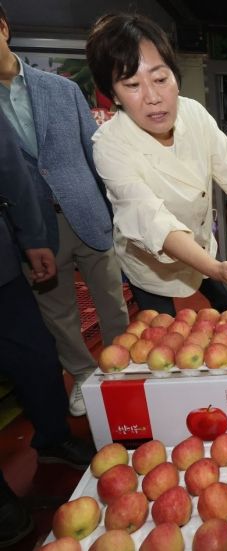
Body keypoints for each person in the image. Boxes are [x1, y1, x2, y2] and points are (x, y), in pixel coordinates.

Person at [85, 13, 227, 316]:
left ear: (175, 76)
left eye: (161, 79)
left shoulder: (193, 113)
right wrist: (215, 268)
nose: (153, 97)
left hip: (200, 246)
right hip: (151, 264)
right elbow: (151, 220)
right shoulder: (109, 145)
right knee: (162, 334)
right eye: (132, 84)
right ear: (114, 96)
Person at [0, 3, 130, 417]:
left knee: (112, 301)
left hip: (87, 213)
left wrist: (114, 211)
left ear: (3, 27)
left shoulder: (61, 89)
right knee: (58, 312)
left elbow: (98, 152)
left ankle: (124, 368)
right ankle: (84, 377)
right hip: (30, 226)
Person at [0, 109, 96, 548]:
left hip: (7, 258)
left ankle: (54, 434)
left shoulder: (59, 92)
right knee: (53, 324)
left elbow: (9, 166)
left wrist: (30, 234)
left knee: (35, 353)